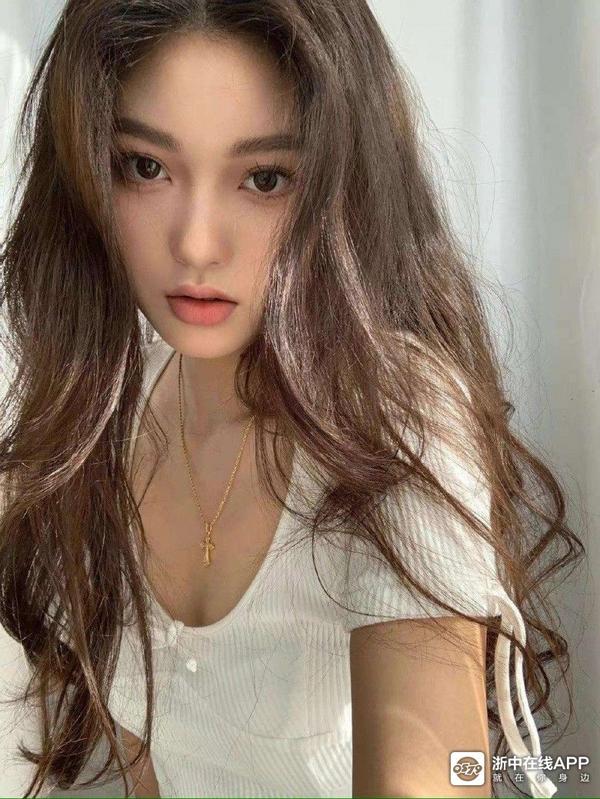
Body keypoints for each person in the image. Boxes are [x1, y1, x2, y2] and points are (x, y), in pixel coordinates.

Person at [0, 1, 585, 797]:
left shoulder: (397, 420)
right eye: (145, 166)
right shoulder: (107, 421)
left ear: (339, 188)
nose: (197, 243)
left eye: (265, 178)